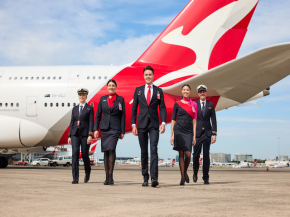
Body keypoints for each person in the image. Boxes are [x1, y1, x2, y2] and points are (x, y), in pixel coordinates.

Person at [131, 65, 167, 187]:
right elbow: (134, 109)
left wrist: (163, 123)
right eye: (146, 74)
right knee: (144, 152)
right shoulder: (138, 90)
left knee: (153, 150)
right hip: (141, 125)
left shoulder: (158, 91)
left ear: (153, 76)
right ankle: (145, 177)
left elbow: (162, 108)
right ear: (143, 76)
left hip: (154, 125)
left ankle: (154, 178)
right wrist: (133, 124)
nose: (148, 76)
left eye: (150, 74)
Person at [94, 79, 125, 185]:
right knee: (106, 152)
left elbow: (123, 116)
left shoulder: (120, 99)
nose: (111, 87)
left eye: (113, 85)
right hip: (105, 129)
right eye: (109, 85)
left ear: (116, 87)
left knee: (111, 149)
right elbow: (98, 115)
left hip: (115, 129)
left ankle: (111, 177)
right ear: (107, 87)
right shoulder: (102, 99)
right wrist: (95, 129)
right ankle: (106, 177)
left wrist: (122, 131)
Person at [170, 84, 197, 185]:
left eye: (187, 90)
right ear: (182, 91)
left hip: (188, 130)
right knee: (181, 153)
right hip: (179, 129)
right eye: (184, 90)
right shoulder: (177, 104)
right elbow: (173, 120)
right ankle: (182, 178)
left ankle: (185, 173)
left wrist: (194, 136)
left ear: (190, 91)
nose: (186, 91)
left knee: (188, 154)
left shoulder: (194, 104)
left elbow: (194, 121)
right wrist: (171, 135)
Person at [68, 88, 94, 184]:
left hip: (85, 135)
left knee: (84, 155)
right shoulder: (74, 109)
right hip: (75, 134)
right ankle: (75, 177)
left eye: (83, 95)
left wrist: (90, 135)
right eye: (80, 95)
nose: (81, 96)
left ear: (86, 97)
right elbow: (72, 123)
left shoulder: (89, 108)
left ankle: (87, 173)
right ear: (78, 96)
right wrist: (69, 135)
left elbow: (91, 122)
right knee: (75, 154)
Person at [193, 85, 217, 184]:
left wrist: (214, 134)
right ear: (198, 94)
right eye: (200, 92)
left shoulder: (211, 104)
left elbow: (214, 120)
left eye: (204, 91)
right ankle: (195, 173)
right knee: (196, 155)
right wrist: (192, 134)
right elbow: (192, 120)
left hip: (207, 133)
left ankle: (205, 177)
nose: (202, 93)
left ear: (206, 93)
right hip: (197, 134)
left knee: (206, 156)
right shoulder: (194, 104)